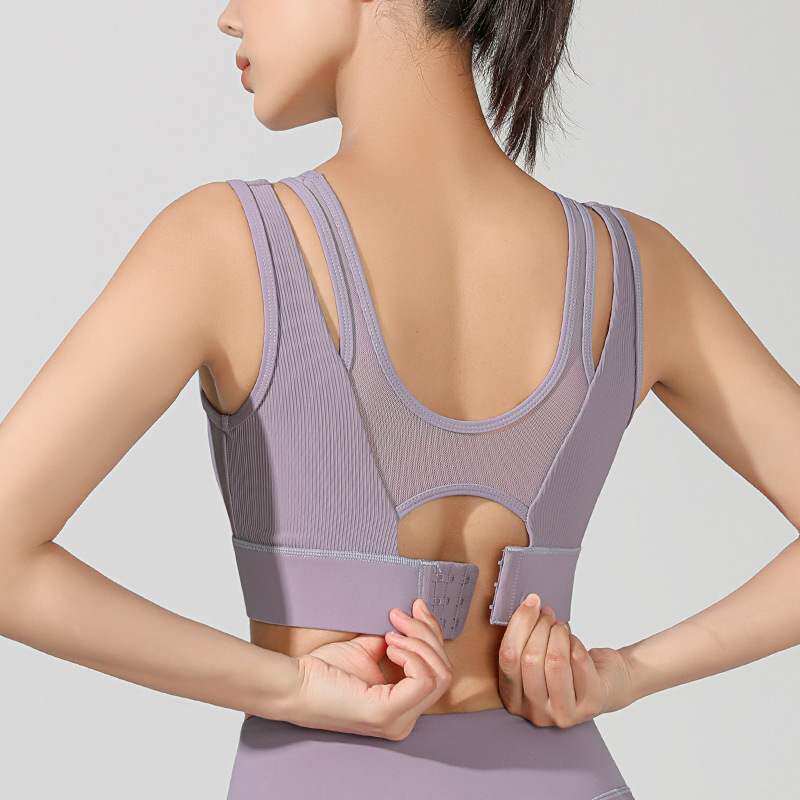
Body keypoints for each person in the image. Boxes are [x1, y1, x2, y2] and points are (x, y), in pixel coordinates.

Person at [1, 1, 798, 798]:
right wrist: (624, 675)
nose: (230, 16)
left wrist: (291, 688)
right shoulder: (635, 271)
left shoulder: (223, 243)